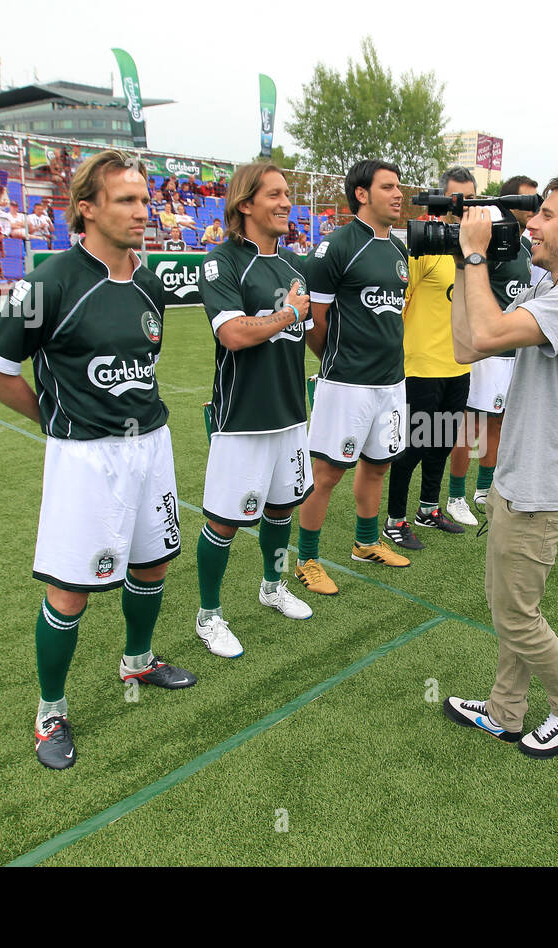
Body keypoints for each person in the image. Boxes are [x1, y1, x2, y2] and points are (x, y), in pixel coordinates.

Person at [0, 149, 197, 771]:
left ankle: (139, 661)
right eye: (126, 200)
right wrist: (51, 418)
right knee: (71, 590)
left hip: (152, 447)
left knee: (152, 566)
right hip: (86, 460)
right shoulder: (52, 282)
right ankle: (50, 712)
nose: (141, 212)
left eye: (145, 200)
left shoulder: (147, 282)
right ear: (86, 208)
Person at [444, 177, 558, 759]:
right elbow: (469, 347)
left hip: (542, 485)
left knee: (517, 614)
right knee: (510, 606)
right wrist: (461, 267)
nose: (531, 225)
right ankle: (505, 711)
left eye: (545, 216)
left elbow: (491, 330)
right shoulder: (551, 286)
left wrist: (474, 255)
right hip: (520, 476)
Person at [193, 161, 316, 658]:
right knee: (225, 521)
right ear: (245, 204)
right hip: (242, 419)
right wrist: (288, 313)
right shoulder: (220, 263)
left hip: (289, 415)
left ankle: (272, 585)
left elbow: (296, 339)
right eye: (275, 195)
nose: (287, 203)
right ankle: (209, 615)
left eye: (288, 194)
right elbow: (233, 335)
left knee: (283, 508)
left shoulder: (293, 268)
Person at [293, 159, 412, 596]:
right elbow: (314, 320)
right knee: (326, 472)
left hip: (391, 382)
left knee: (378, 464)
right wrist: (337, 362)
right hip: (346, 382)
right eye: (388, 187)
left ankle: (365, 543)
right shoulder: (337, 247)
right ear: (362, 194)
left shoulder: (399, 250)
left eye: (398, 187)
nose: (399, 195)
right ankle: (306, 559)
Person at [381, 166, 476, 551]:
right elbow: (401, 306)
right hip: (421, 366)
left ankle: (428, 509)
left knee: (443, 442)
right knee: (415, 445)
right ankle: (394, 520)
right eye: (456, 197)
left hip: (459, 365)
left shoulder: (474, 250)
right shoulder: (423, 247)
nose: (463, 205)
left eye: (470, 197)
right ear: (442, 199)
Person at [445, 174, 538, 523]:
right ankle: (455, 496)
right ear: (508, 201)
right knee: (469, 427)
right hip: (487, 352)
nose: (533, 208)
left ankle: (484, 488)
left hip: (514, 350)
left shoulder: (527, 246)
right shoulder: (490, 241)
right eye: (526, 200)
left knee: (497, 422)